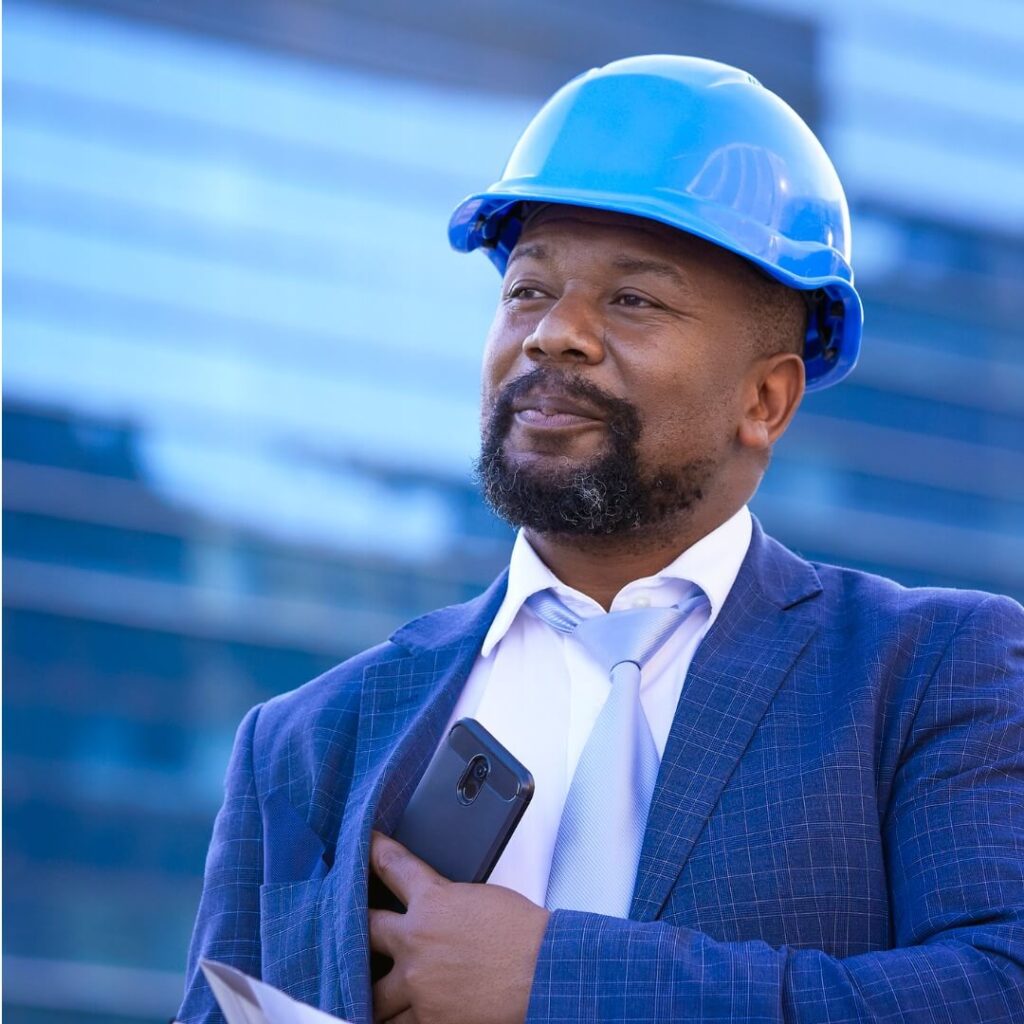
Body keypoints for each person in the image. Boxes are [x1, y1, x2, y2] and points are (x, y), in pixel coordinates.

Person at [178, 56, 1024, 1024]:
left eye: (632, 301)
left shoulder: (929, 672)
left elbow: (998, 989)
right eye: (528, 292)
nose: (552, 336)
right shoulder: (309, 739)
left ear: (765, 397)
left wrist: (556, 980)